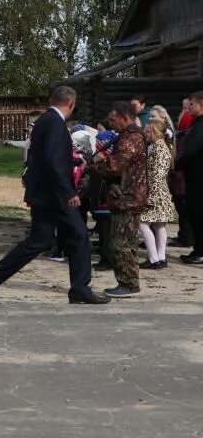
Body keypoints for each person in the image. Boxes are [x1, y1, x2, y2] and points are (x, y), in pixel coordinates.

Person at [0, 86, 109, 305]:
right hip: (55, 194)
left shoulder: (45, 120)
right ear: (71, 104)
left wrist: (76, 162)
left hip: (47, 192)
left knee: (40, 240)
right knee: (78, 236)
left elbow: (51, 157)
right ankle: (80, 288)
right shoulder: (55, 123)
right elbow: (51, 160)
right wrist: (68, 191)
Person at [90, 101, 148, 297]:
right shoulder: (129, 136)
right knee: (126, 243)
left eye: (114, 120)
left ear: (125, 117)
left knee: (121, 243)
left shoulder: (131, 138)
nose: (111, 124)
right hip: (128, 195)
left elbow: (115, 166)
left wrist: (95, 165)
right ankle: (130, 282)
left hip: (128, 197)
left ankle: (128, 284)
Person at [138, 119, 175, 269]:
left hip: (156, 191)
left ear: (156, 132)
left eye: (148, 131)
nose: (145, 134)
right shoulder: (157, 146)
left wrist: (150, 195)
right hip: (159, 191)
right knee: (159, 225)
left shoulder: (159, 148)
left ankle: (154, 258)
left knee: (142, 223)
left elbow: (158, 174)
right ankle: (161, 257)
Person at [176, 91, 203, 264]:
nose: (189, 108)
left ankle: (201, 251)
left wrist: (177, 165)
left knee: (198, 213)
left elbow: (191, 150)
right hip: (194, 175)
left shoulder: (201, 126)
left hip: (199, 177)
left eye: (192, 104)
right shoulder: (197, 124)